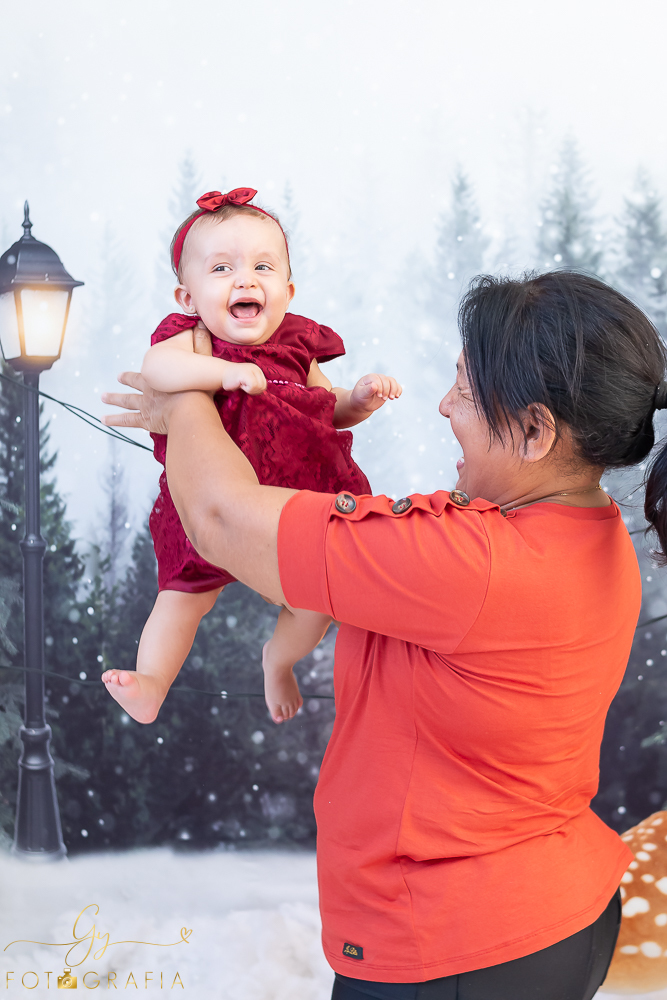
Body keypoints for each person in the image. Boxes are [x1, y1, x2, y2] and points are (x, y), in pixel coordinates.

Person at [102, 269, 667, 1000]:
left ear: (535, 431)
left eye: (464, 390)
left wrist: (185, 395)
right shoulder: (590, 530)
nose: (443, 406)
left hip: (455, 950)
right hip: (558, 914)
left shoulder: (472, 563)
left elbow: (219, 520)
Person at [101, 187, 401, 725]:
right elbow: (156, 372)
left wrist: (358, 400)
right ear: (187, 298)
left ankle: (277, 660)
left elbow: (326, 409)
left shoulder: (297, 346)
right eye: (222, 268)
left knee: (318, 603)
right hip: (205, 501)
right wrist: (224, 374)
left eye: (263, 266)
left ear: (287, 289)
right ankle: (151, 683)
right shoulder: (192, 341)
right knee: (182, 598)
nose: (245, 280)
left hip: (295, 502)